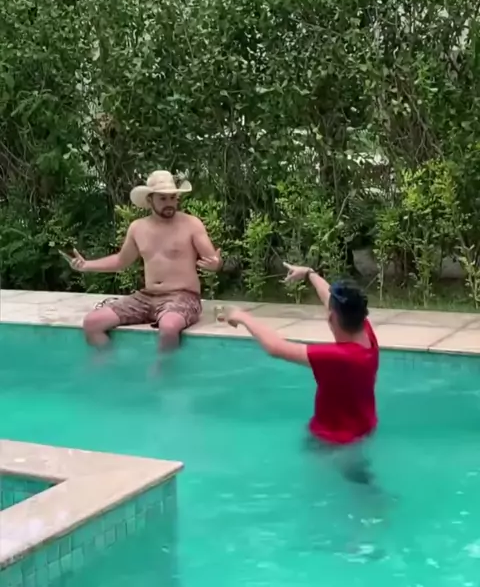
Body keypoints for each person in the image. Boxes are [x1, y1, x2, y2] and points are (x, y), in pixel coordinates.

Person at [222, 264, 379, 482]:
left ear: (331, 318)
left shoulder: (341, 358)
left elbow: (276, 348)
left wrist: (242, 316)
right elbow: (329, 297)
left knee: (355, 486)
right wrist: (309, 273)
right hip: (363, 427)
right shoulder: (365, 334)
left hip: (336, 441)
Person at [63, 170, 222, 349]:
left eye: (172, 198)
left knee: (168, 327)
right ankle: (107, 362)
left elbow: (213, 260)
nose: (169, 203)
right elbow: (121, 261)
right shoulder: (137, 228)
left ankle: (164, 366)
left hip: (183, 296)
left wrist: (215, 264)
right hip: (147, 297)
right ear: (150, 200)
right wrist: (86, 265)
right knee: (92, 323)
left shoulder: (192, 224)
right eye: (163, 199)